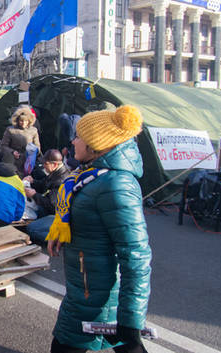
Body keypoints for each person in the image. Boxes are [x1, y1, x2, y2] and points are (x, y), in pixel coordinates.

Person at [47, 105, 151, 353]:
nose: (73, 141)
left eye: (80, 136)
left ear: (96, 144)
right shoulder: (91, 175)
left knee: (66, 346)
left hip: (95, 297)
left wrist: (131, 320)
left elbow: (136, 256)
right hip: (86, 289)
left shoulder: (116, 185)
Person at [23, 149, 71, 244]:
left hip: (59, 216)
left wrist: (34, 195)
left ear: (55, 164)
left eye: (46, 164)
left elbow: (51, 205)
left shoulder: (60, 180)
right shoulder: (56, 173)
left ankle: (62, 239)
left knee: (31, 229)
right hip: (53, 212)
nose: (44, 166)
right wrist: (32, 181)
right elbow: (44, 184)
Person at [1, 105, 41, 174]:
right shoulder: (10, 130)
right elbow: (3, 146)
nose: (23, 123)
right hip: (13, 160)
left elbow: (38, 147)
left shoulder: (34, 130)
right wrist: (12, 152)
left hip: (28, 161)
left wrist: (32, 153)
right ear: (17, 120)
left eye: (26, 121)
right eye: (21, 121)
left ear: (29, 120)